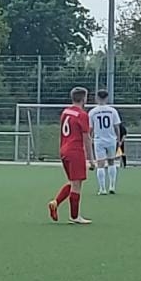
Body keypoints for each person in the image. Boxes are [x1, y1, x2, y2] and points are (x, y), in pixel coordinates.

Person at [47, 86, 92, 225]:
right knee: (77, 184)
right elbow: (87, 138)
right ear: (84, 99)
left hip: (64, 150)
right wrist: (91, 159)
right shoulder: (82, 115)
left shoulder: (65, 112)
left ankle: (55, 202)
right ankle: (74, 216)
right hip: (75, 151)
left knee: (72, 182)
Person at [89, 90, 122, 195]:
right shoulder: (112, 111)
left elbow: (90, 128)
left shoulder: (92, 112)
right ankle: (112, 186)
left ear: (97, 98)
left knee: (100, 164)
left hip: (99, 140)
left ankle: (102, 189)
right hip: (111, 139)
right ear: (107, 98)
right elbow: (117, 126)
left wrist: (89, 139)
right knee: (112, 162)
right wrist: (119, 139)